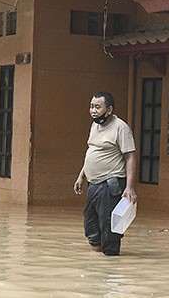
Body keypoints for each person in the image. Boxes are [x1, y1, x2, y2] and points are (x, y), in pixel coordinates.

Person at [73, 92, 137, 256]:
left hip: (111, 184)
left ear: (109, 110)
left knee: (109, 229)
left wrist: (129, 187)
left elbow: (130, 157)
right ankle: (97, 265)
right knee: (91, 226)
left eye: (97, 107)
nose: (93, 110)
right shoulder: (94, 126)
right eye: (91, 106)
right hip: (93, 184)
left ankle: (110, 268)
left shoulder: (121, 128)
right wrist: (81, 176)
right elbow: (91, 151)